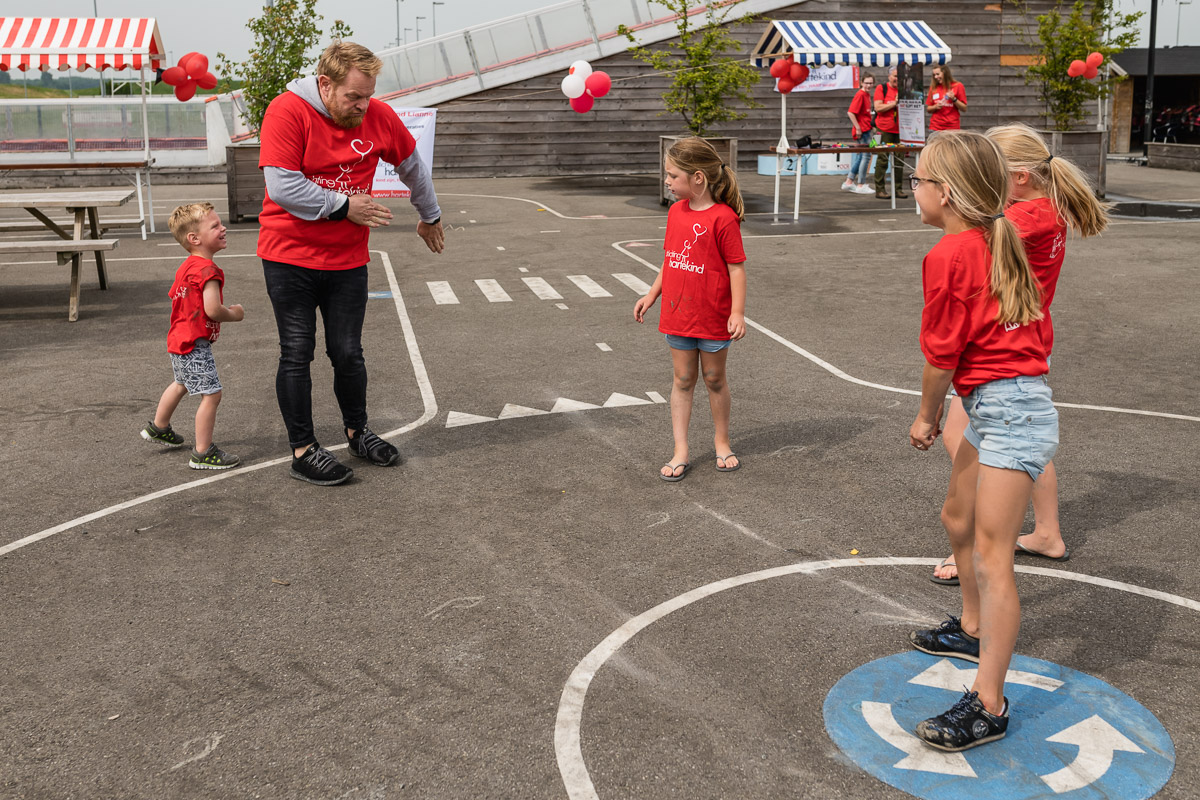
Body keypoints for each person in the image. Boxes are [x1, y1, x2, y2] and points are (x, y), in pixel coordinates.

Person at [906, 130, 1058, 752]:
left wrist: (925, 415)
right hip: (1002, 404)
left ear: (945, 193)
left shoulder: (951, 252)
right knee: (957, 517)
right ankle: (971, 626)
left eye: (917, 180)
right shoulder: (988, 237)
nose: (912, 189)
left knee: (997, 561)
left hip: (1011, 410)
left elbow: (941, 355)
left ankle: (989, 705)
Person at [257, 41, 445, 486]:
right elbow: (282, 186)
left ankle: (358, 432)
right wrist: (344, 206)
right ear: (324, 84)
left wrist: (430, 215)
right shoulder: (287, 111)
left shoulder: (376, 114)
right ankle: (304, 450)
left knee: (348, 352)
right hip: (289, 257)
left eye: (368, 95)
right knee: (297, 353)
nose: (363, 106)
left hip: (346, 260)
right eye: (352, 97)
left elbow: (412, 166)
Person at [929, 124, 1110, 585]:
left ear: (1021, 176)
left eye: (993, 172)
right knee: (1025, 440)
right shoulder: (1047, 208)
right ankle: (1046, 531)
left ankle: (979, 541)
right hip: (1026, 334)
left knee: (968, 437)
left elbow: (973, 238)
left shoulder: (1020, 221)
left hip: (1003, 344)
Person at [634, 137, 748, 481]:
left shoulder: (724, 218)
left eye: (672, 176)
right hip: (677, 312)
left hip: (713, 316)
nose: (667, 181)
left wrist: (738, 312)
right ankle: (681, 449)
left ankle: (722, 442)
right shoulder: (675, 212)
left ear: (697, 178)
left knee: (714, 379)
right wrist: (652, 294)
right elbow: (671, 260)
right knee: (683, 379)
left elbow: (737, 268)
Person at [141, 203, 245, 470]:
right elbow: (213, 310)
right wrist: (234, 313)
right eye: (215, 226)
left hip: (178, 339)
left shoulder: (187, 266)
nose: (223, 229)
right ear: (194, 238)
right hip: (194, 344)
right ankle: (203, 452)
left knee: (181, 383)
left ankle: (159, 427)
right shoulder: (208, 272)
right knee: (211, 395)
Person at [872, 68, 908, 200]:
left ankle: (898, 189)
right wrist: (894, 104)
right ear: (889, 76)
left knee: (899, 160)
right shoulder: (882, 88)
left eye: (900, 77)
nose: (897, 79)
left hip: (901, 130)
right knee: (882, 160)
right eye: (895, 76)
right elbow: (878, 107)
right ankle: (880, 189)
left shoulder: (904, 90)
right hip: (884, 129)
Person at [842, 72, 877, 195]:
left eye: (871, 83)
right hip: (862, 130)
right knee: (866, 156)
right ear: (862, 83)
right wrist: (857, 128)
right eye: (866, 83)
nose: (868, 85)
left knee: (861, 156)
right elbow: (851, 112)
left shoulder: (866, 95)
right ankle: (861, 184)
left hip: (866, 128)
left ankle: (849, 181)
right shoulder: (860, 95)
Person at [926, 65, 967, 132]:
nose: (936, 77)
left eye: (937, 74)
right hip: (936, 127)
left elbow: (964, 108)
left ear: (945, 73)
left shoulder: (958, 86)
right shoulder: (933, 88)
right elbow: (928, 109)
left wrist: (954, 99)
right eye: (934, 75)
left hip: (952, 128)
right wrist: (935, 107)